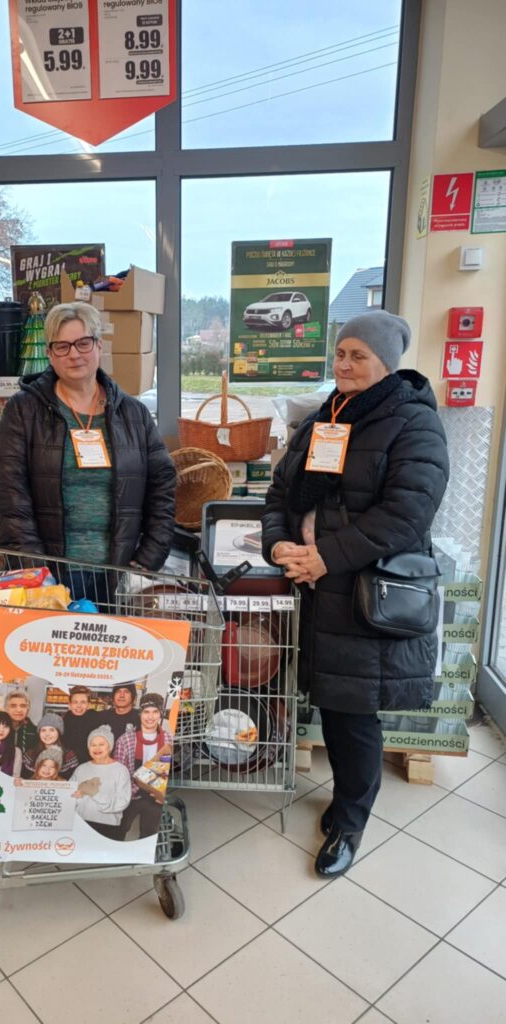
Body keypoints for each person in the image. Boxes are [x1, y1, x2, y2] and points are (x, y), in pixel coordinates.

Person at [261, 311, 449, 878]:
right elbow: (279, 492)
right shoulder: (326, 416)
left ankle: (350, 821)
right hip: (314, 589)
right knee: (332, 702)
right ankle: (346, 802)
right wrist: (278, 544)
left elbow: (407, 513)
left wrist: (327, 555)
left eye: (358, 355)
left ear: (385, 362)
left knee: (354, 712)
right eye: (340, 353)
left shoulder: (412, 421)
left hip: (360, 590)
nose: (344, 364)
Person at [0, 300, 175, 603]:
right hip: (51, 577)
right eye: (62, 346)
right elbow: (12, 498)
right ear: (50, 354)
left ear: (99, 346)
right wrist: (35, 573)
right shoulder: (23, 411)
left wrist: (150, 556)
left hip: (120, 573)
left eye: (83, 343)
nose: (74, 354)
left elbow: (162, 487)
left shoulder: (134, 414)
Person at [114, 692, 173, 839]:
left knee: (149, 832)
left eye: (155, 712)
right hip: (131, 794)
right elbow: (119, 774)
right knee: (119, 828)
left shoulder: (168, 739)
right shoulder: (125, 740)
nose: (150, 716)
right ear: (140, 714)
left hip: (155, 795)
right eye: (146, 712)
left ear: (160, 714)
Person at [69, 724, 132, 840]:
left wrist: (96, 794)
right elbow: (69, 796)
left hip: (108, 826)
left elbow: (122, 802)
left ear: (110, 746)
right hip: (80, 822)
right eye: (93, 745)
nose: (97, 748)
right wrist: (76, 796)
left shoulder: (121, 770)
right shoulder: (81, 768)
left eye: (101, 744)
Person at [22, 712, 79, 779]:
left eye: (52, 730)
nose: (47, 734)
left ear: (59, 732)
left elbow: (72, 781)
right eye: (43, 730)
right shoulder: (30, 754)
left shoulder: (69, 756)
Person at [60, 685, 98, 764]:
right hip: (67, 765)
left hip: (89, 765)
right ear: (70, 705)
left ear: (88, 705)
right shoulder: (63, 722)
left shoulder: (96, 721)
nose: (79, 705)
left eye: (83, 702)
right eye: (75, 702)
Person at [5, 688, 39, 755]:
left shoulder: (36, 732)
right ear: (6, 708)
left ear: (28, 709)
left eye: (23, 706)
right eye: (13, 706)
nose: (19, 710)